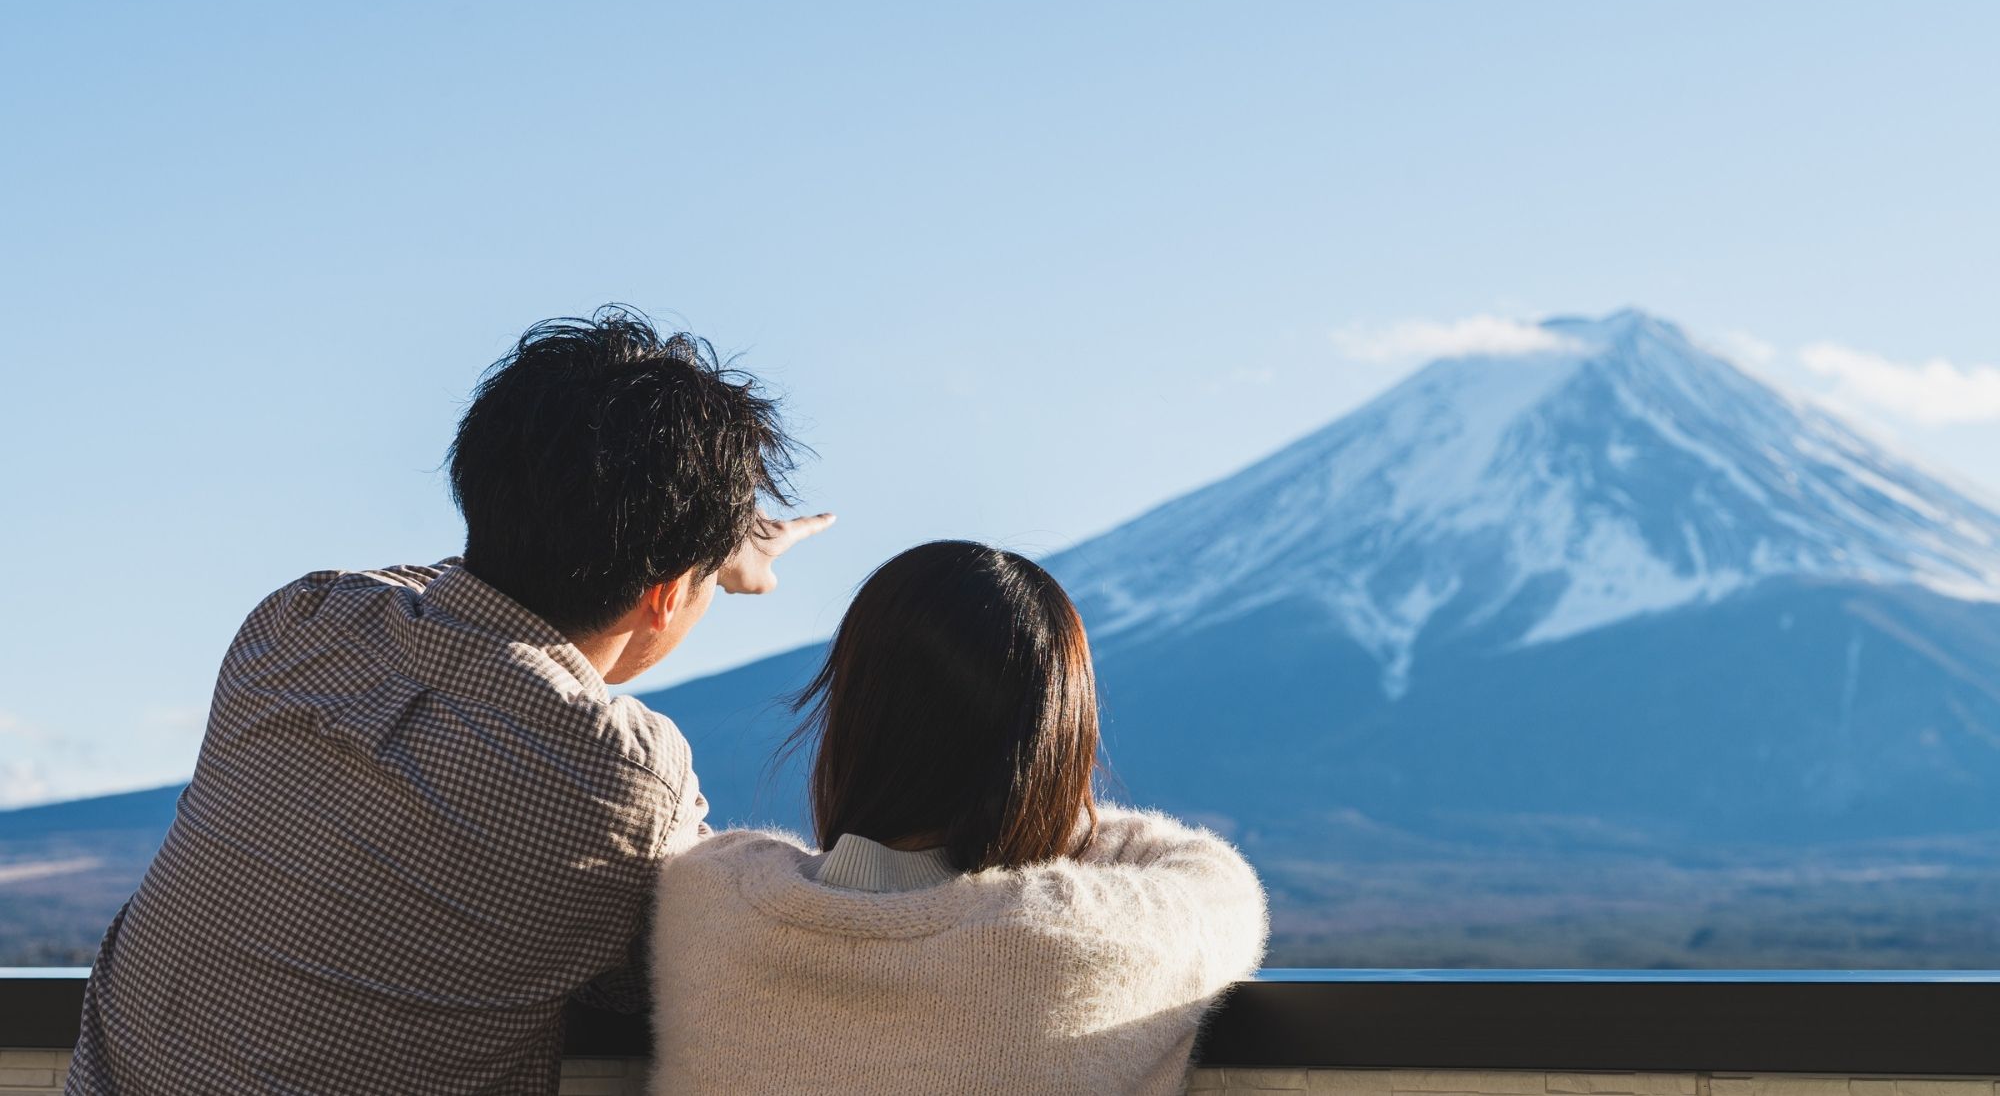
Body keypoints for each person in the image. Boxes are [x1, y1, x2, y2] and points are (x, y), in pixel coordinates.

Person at [68, 308, 833, 1095]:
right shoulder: (622, 778)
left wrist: (689, 547)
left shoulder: (296, 624)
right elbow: (711, 944)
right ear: (667, 593)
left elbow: (460, 590)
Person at [649, 540, 1268, 1095]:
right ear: (1059, 739)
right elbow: (1219, 884)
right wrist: (1049, 811)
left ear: (851, 719)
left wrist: (708, 537)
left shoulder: (709, 901)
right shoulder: (1086, 940)